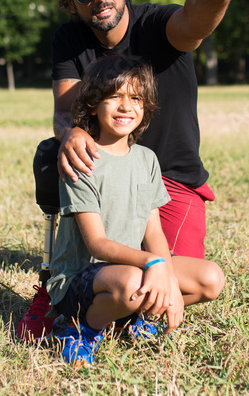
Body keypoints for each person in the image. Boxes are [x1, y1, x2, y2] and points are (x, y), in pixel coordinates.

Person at [17, 0, 249, 342]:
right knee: (55, 152)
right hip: (106, 173)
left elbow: (193, 22)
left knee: (177, 279)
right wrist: (70, 131)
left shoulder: (158, 24)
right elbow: (63, 111)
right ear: (71, 3)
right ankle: (59, 292)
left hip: (172, 178)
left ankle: (120, 310)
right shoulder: (69, 40)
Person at [44, 55, 224, 365]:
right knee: (131, 282)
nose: (126, 106)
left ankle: (132, 320)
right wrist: (152, 263)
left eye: (136, 98)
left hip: (133, 270)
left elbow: (152, 231)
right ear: (92, 104)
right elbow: (96, 245)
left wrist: (166, 275)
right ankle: (77, 330)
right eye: (114, 97)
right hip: (79, 280)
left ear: (146, 107)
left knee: (210, 278)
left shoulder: (146, 160)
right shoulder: (82, 160)